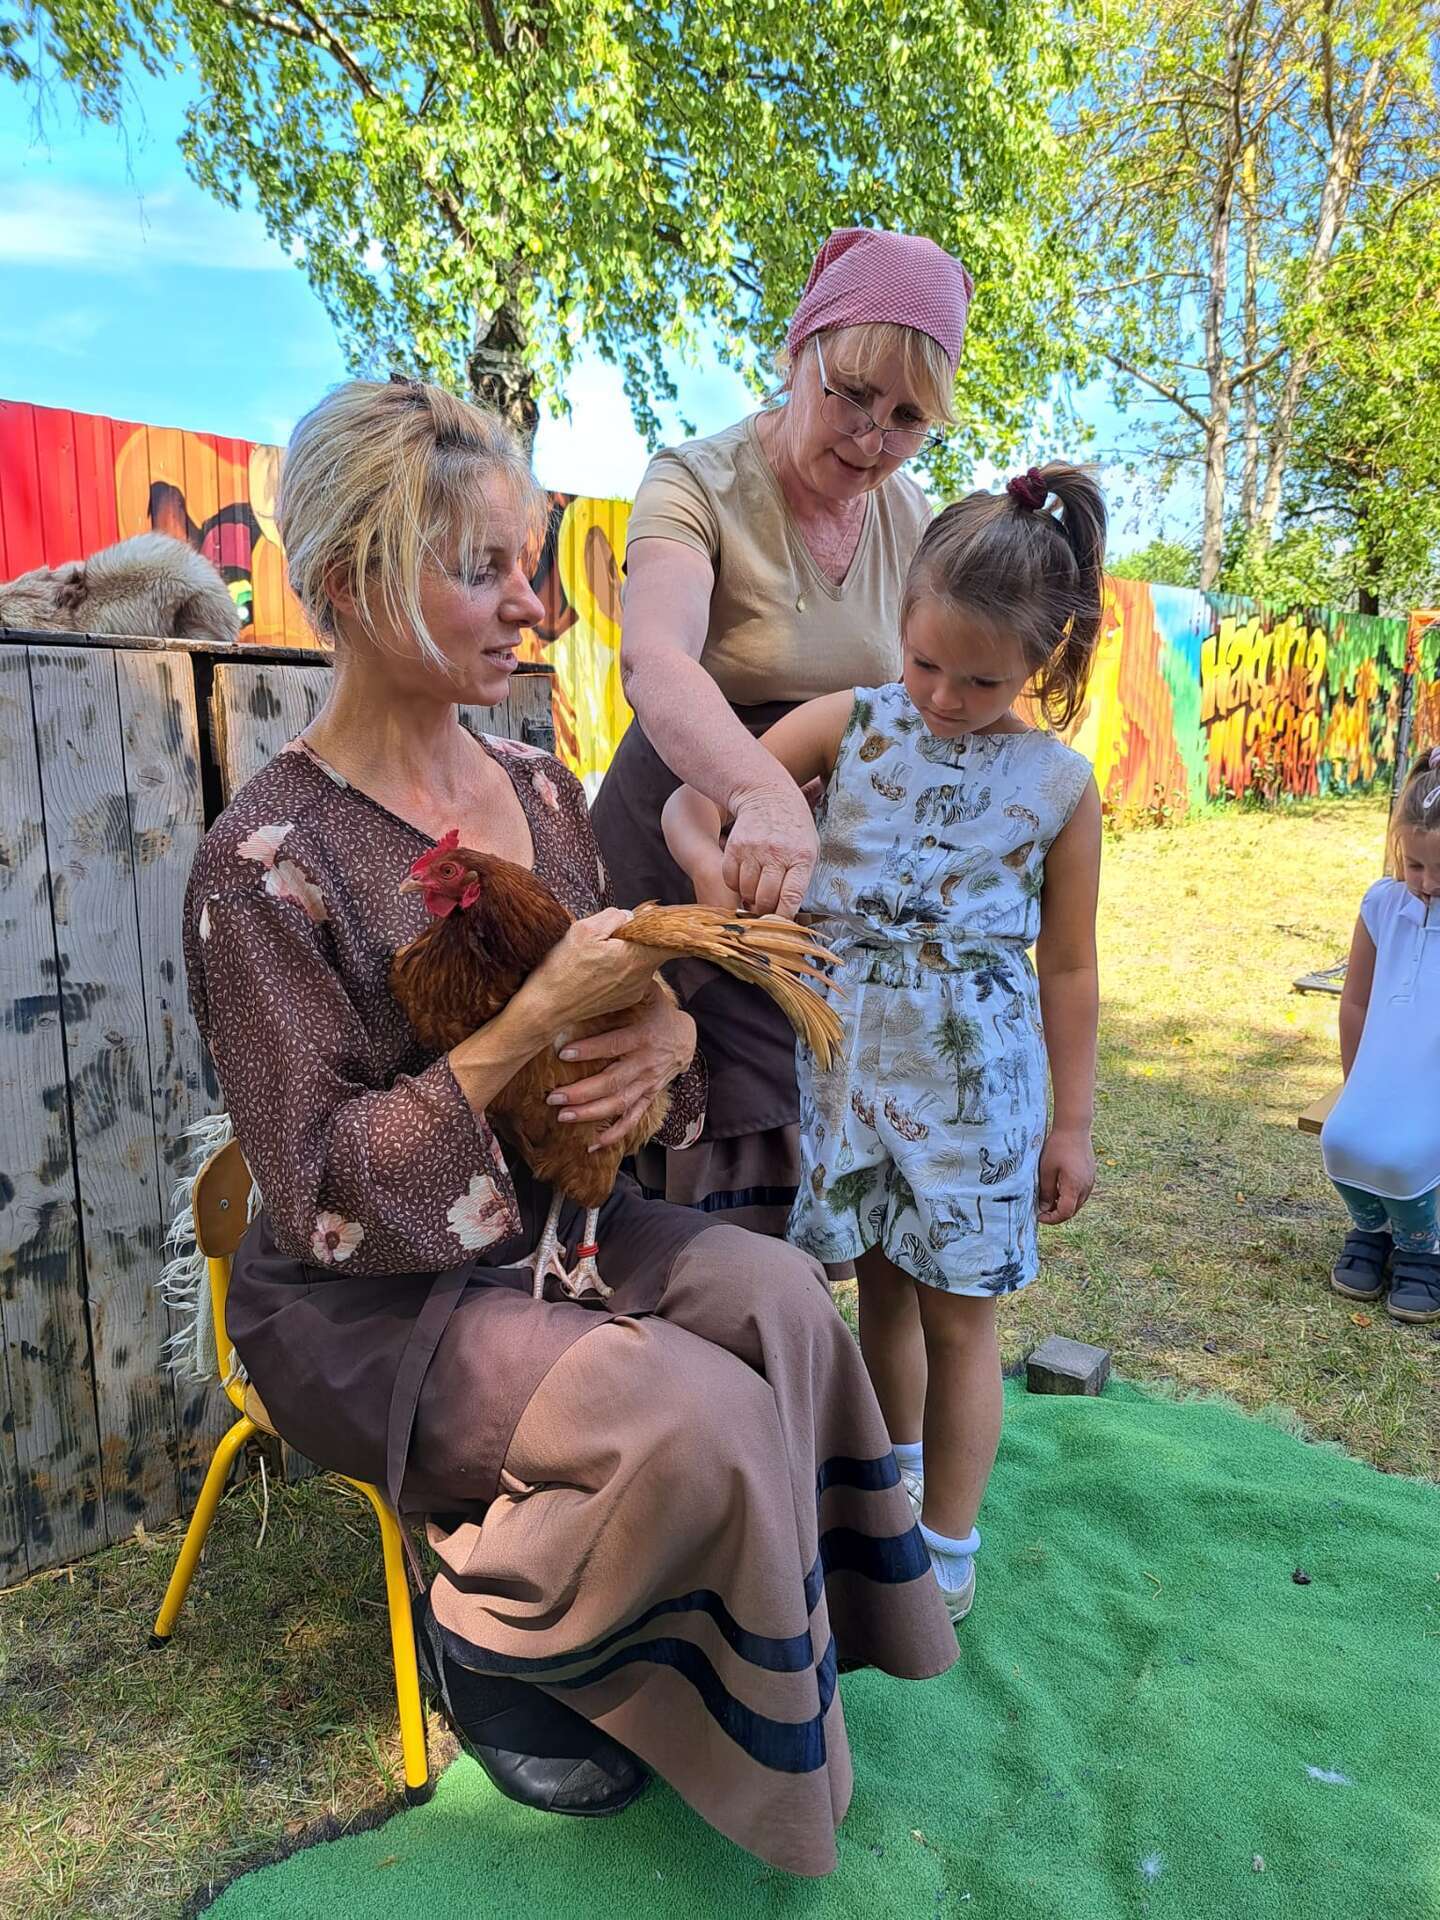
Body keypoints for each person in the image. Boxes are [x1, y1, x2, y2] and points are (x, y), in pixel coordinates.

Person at [182, 376, 957, 1879]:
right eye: (484, 570)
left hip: (552, 1227)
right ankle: (494, 1627)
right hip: (365, 1301)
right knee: (689, 1409)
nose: (532, 607)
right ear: (350, 580)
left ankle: (758, 1638)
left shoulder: (541, 787)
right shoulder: (264, 860)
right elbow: (325, 1193)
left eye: (526, 567)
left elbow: (629, 1043)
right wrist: (527, 1023)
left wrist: (666, 1037)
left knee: (787, 1304)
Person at [663, 463, 1105, 1621]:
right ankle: (894, 1483)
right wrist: (717, 868)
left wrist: (1072, 1125)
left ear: (1043, 662)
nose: (946, 697)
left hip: (973, 1093)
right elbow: (691, 800)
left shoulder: (1060, 786)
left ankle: (947, 1546)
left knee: (959, 1314)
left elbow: (1069, 965)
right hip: (849, 1073)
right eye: (925, 663)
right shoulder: (850, 723)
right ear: (900, 621)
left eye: (983, 679)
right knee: (881, 1289)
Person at [592, 227, 974, 1235]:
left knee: (810, 1145)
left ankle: (778, 1323)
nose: (872, 438)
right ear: (797, 351)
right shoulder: (693, 481)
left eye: (907, 418)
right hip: (679, 846)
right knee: (686, 1141)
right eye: (853, 394)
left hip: (814, 884)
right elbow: (655, 662)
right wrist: (761, 791)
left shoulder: (911, 518)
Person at [1322, 746, 1440, 1323]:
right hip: (1384, 1068)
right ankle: (1376, 1228)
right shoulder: (1381, 905)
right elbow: (1356, 1000)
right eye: (1415, 865)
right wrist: (1355, 1082)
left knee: (1405, 1154)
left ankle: (1424, 1247)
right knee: (1341, 1138)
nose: (1428, 883)